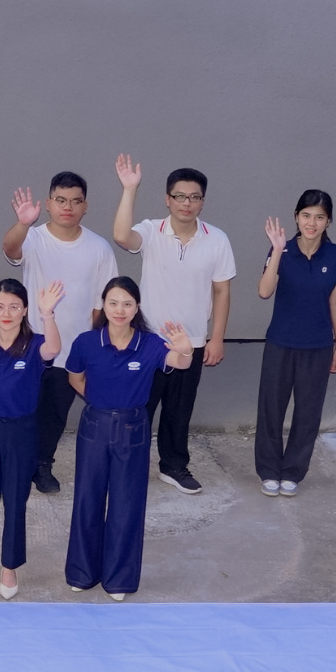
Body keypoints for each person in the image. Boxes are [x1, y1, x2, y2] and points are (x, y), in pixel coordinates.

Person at [110, 159, 234, 494]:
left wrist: (216, 338)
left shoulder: (217, 239)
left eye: (194, 197)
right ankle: (128, 467)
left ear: (202, 202)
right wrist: (130, 188)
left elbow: (222, 291)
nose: (186, 203)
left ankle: (174, 466)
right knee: (138, 408)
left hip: (191, 342)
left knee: (179, 410)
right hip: (148, 342)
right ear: (168, 199)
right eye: (179, 196)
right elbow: (121, 236)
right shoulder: (152, 231)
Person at [61, 279, 179, 599]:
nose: (120, 310)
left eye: (127, 303)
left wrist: (185, 348)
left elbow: (179, 362)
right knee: (87, 499)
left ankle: (119, 578)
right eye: (113, 303)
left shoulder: (150, 343)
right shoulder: (87, 342)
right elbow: (74, 376)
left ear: (137, 307)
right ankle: (82, 572)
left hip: (133, 428)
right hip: (94, 426)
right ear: (103, 305)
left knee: (126, 503)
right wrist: (98, 401)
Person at [3, 173, 119, 497]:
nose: (68, 207)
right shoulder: (33, 238)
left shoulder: (99, 248)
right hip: (29, 346)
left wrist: (97, 350)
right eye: (61, 200)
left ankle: (42, 465)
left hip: (71, 351)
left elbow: (101, 306)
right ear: (49, 203)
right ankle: (14, 465)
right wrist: (23, 223)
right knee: (20, 410)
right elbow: (10, 248)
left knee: (54, 415)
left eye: (75, 201)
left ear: (85, 206)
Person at [0, 279, 66, 596]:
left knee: (16, 500)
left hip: (22, 432)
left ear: (24, 310)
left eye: (14, 307)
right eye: (0, 306)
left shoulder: (35, 345)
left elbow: (54, 349)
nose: (6, 313)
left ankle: (9, 566)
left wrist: (48, 314)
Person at [253, 189, 336, 495]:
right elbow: (264, 291)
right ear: (296, 217)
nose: (312, 222)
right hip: (280, 343)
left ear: (328, 221)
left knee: (308, 413)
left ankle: (293, 472)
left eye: (319, 217)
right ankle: (269, 470)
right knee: (271, 408)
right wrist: (276, 250)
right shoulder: (281, 250)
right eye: (306, 215)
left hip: (318, 346)